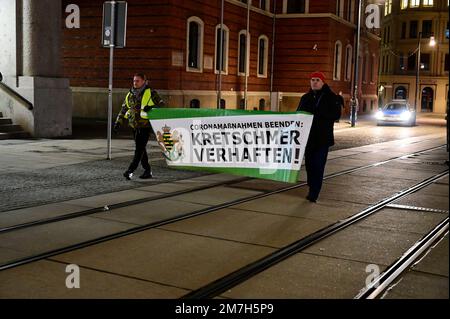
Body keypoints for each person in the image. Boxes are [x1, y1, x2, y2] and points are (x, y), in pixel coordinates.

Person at [297, 72, 341, 202]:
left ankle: (314, 192)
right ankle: (312, 185)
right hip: (308, 138)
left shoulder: (331, 97)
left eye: (317, 80)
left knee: (318, 165)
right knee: (310, 165)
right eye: (312, 80)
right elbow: (298, 114)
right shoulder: (305, 97)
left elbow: (336, 115)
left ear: (323, 82)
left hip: (322, 139)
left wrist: (319, 115)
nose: (314, 82)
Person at [113, 73, 164, 180]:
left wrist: (151, 107)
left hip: (145, 125)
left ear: (144, 81)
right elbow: (124, 108)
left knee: (139, 149)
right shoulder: (130, 94)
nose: (135, 83)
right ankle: (147, 171)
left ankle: (130, 170)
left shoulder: (151, 93)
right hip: (134, 125)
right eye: (134, 81)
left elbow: (162, 105)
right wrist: (118, 122)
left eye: (137, 81)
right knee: (141, 149)